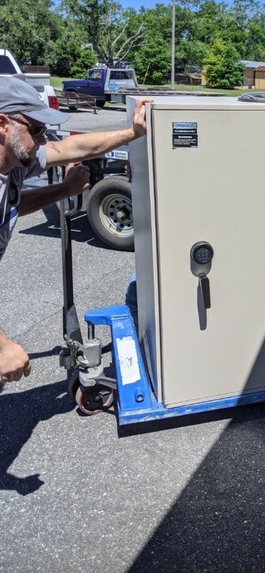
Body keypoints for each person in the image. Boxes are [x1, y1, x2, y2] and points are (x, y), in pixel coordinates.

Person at [0, 77, 151, 385]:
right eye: (37, 130)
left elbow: (73, 146)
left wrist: (133, 133)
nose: (44, 140)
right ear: (3, 124)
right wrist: (2, 346)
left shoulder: (14, 161)